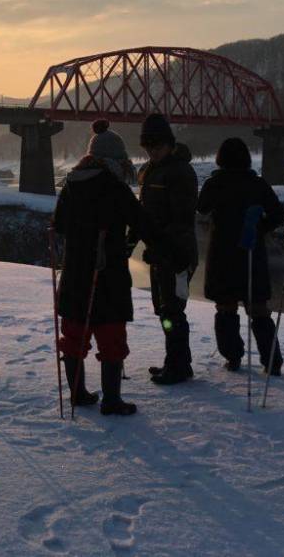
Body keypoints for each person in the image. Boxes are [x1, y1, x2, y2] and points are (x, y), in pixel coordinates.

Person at [53, 119, 146, 415]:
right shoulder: (115, 187)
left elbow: (59, 225)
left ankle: (78, 394)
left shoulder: (71, 183)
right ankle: (112, 400)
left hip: (74, 273)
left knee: (73, 336)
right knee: (111, 337)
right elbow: (141, 222)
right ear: (116, 159)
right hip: (108, 275)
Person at [197, 137, 284, 374]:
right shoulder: (258, 184)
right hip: (251, 253)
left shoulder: (215, 184)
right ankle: (272, 362)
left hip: (222, 255)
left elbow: (202, 208)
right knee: (259, 309)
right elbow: (278, 215)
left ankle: (233, 357)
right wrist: (259, 229)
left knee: (225, 308)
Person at [135, 113, 199, 385]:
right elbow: (147, 214)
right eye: (148, 146)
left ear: (169, 143)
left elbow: (181, 218)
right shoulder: (151, 170)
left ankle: (179, 366)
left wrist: (160, 246)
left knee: (173, 310)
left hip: (177, 253)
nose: (152, 150)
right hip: (159, 252)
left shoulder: (180, 171)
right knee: (163, 309)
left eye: (157, 145)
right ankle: (173, 361)